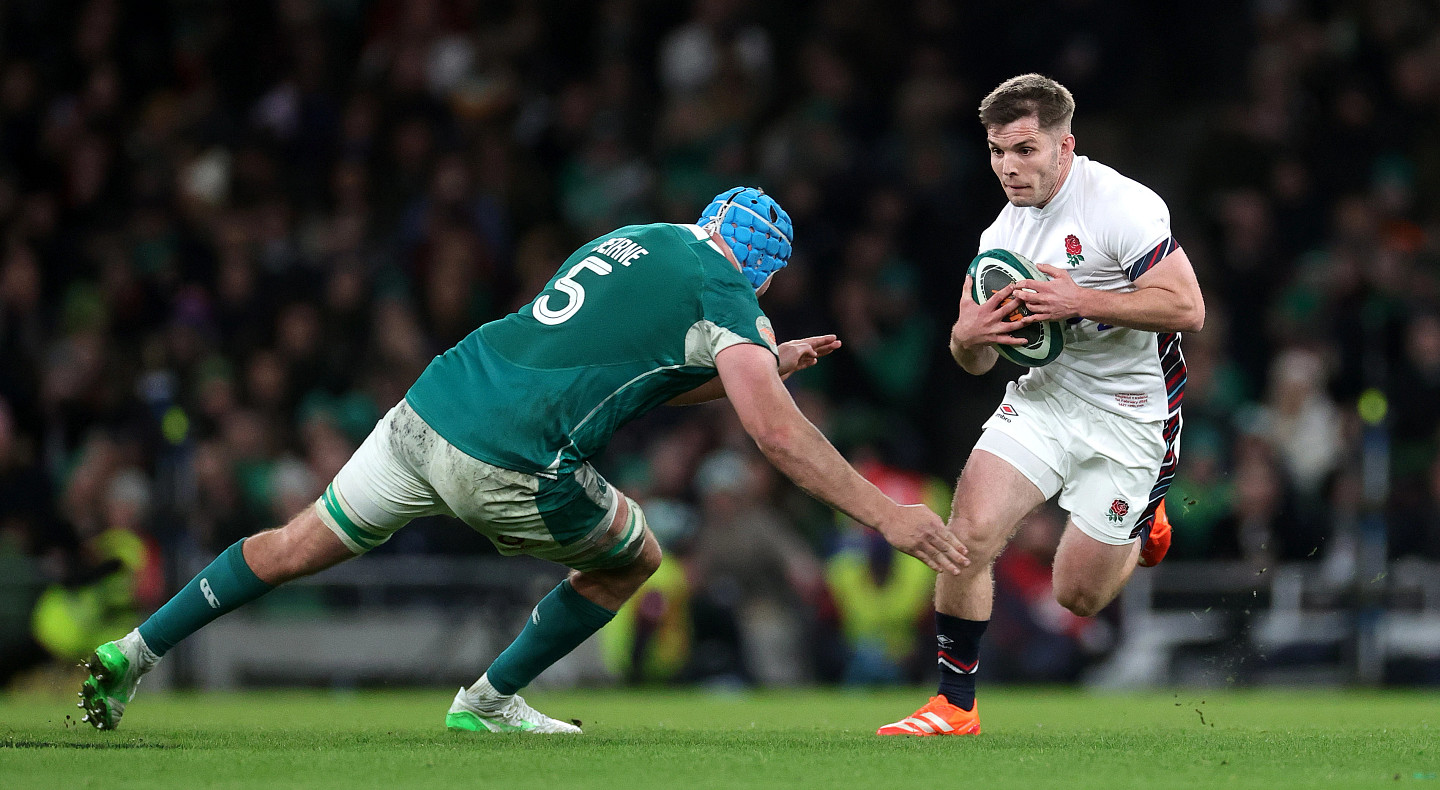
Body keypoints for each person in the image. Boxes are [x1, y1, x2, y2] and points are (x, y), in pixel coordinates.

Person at [78, 186, 968, 734]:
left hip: (430, 407)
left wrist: (762, 365)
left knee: (289, 546)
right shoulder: (726, 292)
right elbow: (775, 434)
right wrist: (886, 514)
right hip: (505, 458)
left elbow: (642, 368)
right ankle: (489, 701)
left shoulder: (640, 239)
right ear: (765, 276)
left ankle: (133, 652)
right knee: (636, 555)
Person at [876, 75, 1204, 737]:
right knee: (967, 535)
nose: (1009, 167)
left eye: (1025, 149)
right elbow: (976, 359)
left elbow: (1187, 308)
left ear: (1065, 145)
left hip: (1132, 413)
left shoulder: (1122, 205)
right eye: (997, 151)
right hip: (1046, 397)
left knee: (1077, 595)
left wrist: (1078, 298)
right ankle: (954, 705)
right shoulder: (1000, 235)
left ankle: (1144, 516)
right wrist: (965, 338)